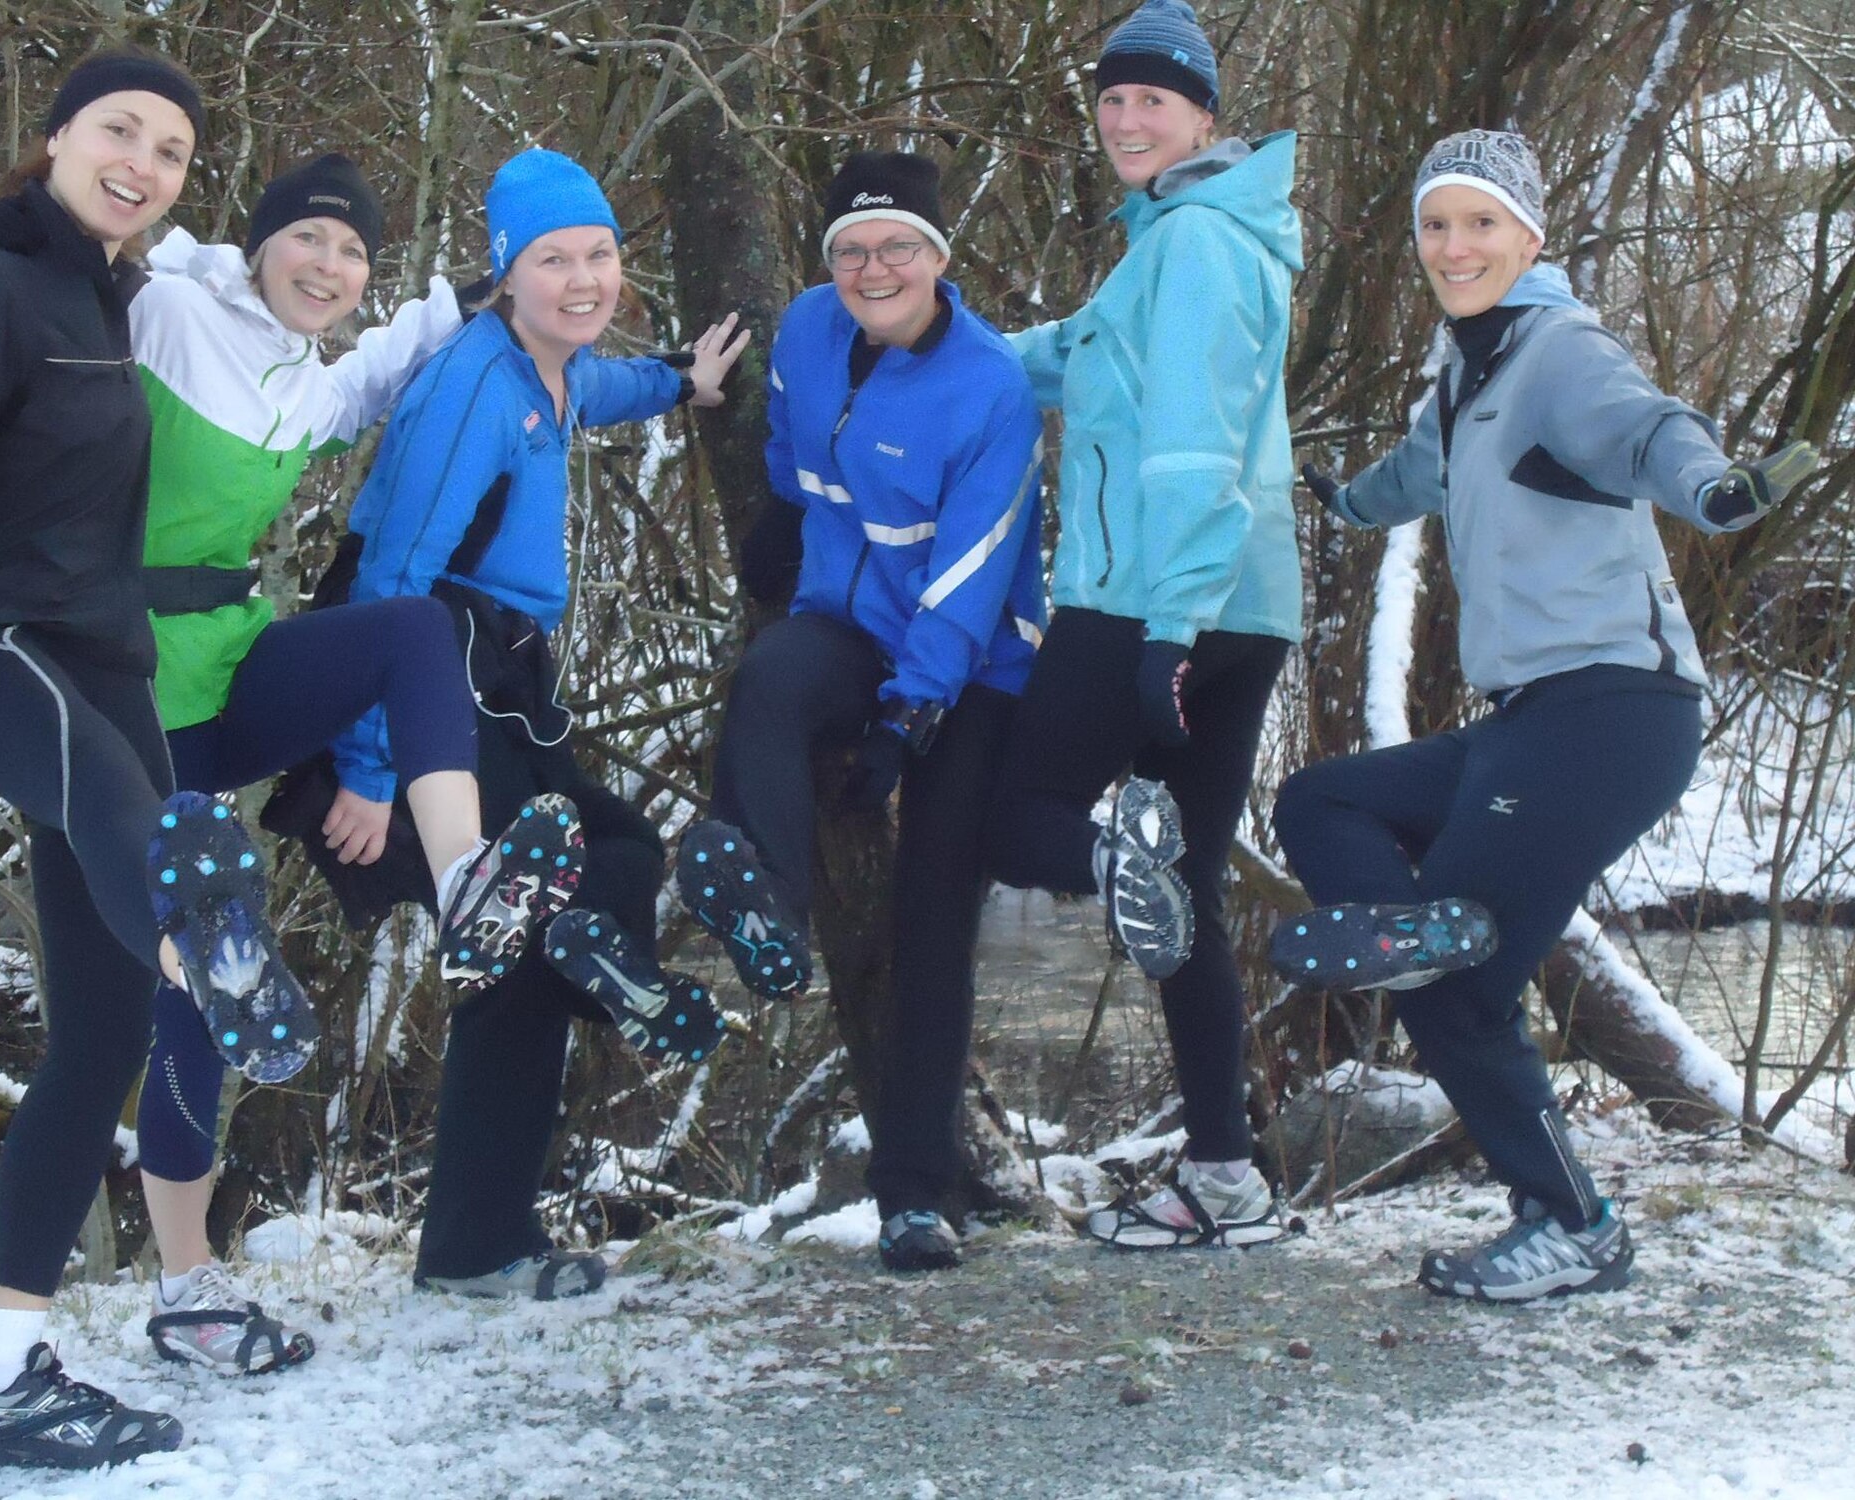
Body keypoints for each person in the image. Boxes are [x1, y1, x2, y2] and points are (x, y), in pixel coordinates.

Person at [0, 153, 579, 1373]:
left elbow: (397, 366)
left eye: (352, 255)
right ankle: (188, 1288)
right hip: (114, 699)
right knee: (177, 1003)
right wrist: (59, 216)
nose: (328, 268)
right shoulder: (162, 308)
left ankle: (467, 878)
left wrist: (550, 314)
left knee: (414, 633)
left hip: (225, 670)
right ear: (256, 243)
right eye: (307, 240)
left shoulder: (311, 385)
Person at [1273, 128, 1817, 1302]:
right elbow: (1418, 472)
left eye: (1479, 224)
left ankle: (1570, 1223)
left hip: (1612, 708)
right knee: (1321, 799)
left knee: (1457, 999)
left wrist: (1713, 489)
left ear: (1528, 236)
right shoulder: (1464, 370)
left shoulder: (1560, 351)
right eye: (1435, 224)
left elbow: (1647, 428)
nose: (1453, 245)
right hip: (1522, 718)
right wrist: (1347, 501)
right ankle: (1422, 931)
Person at [0, 50, 304, 1471]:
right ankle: (203, 942)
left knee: (102, 1041)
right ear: (55, 135)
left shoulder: (108, 300)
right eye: (121, 129)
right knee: (141, 837)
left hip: (108, 674)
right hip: (6, 659)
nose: (143, 162)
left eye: (173, 151)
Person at [317, 147, 748, 1297]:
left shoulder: (549, 367)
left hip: (490, 675)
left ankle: (578, 985)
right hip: (415, 672)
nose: (581, 278)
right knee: (538, 910)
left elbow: (602, 388)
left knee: (607, 858)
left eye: (598, 255)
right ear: (507, 273)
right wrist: (365, 767)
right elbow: (392, 580)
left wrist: (681, 383)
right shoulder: (472, 384)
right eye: (553, 259)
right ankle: (479, 1240)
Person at [980, 0, 1302, 1249]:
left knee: (1018, 818)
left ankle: (1126, 871)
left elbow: (1185, 453)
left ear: (1202, 117)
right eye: (1110, 99)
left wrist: (1165, 626)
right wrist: (927, 338)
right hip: (1239, 608)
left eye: (1151, 101)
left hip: (1151, 601)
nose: (1124, 118)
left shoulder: (1196, 249)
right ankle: (1223, 1178)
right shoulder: (1183, 238)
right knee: (1194, 902)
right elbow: (1069, 356)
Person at [694, 151, 1046, 1272]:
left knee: (931, 904)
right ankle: (772, 920)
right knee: (764, 686)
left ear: (940, 259)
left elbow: (973, 572)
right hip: (841, 621)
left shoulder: (987, 386)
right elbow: (798, 436)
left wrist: (907, 720)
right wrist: (785, 514)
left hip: (968, 663)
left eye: (896, 246)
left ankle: (911, 1195)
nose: (870, 267)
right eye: (850, 250)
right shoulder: (804, 327)